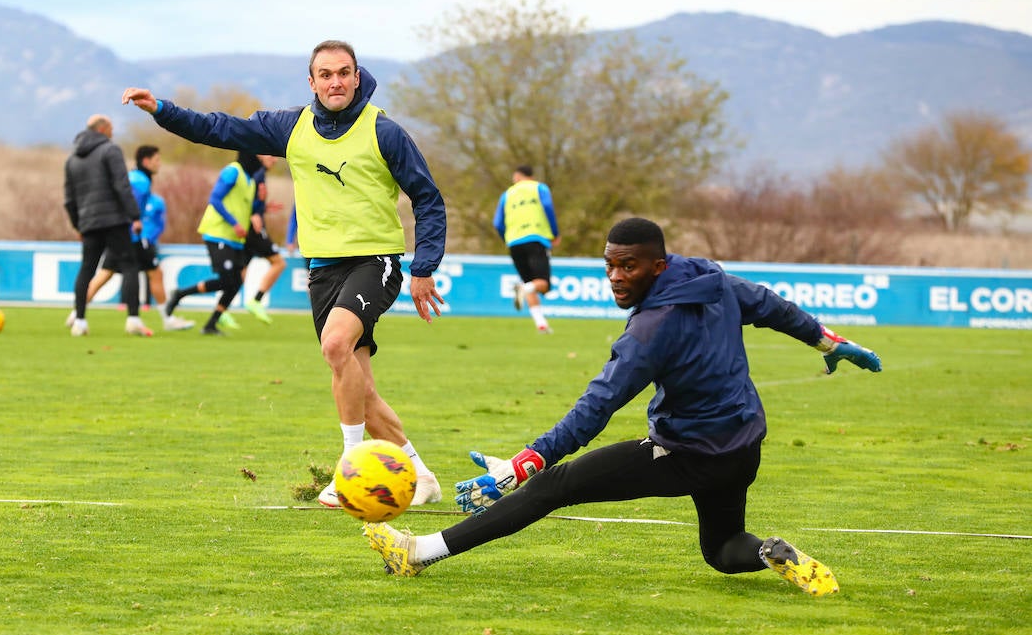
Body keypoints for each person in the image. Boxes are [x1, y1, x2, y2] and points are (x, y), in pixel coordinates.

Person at [361, 217, 883, 596]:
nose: (615, 276)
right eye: (609, 265)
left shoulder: (650, 332)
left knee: (554, 485)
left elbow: (596, 408)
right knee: (724, 551)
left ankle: (419, 553)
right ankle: (771, 551)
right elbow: (773, 306)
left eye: (628, 267)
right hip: (743, 447)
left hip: (689, 453)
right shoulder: (713, 280)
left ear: (657, 266)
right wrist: (829, 343)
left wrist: (525, 464)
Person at [122, 39, 447, 507]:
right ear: (311, 82)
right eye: (326, 74)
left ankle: (350, 469)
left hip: (374, 261)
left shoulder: (386, 132)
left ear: (357, 77)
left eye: (344, 72)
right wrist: (163, 110)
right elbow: (221, 128)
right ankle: (421, 474)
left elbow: (428, 199)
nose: (335, 81)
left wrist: (423, 267)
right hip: (321, 268)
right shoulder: (290, 127)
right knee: (360, 387)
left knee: (336, 344)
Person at [81, 144, 194, 332]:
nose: (160, 164)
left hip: (121, 234)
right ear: (146, 161)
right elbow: (127, 202)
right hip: (133, 236)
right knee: (153, 274)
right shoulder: (140, 182)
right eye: (157, 160)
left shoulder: (135, 178)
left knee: (105, 274)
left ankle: (77, 313)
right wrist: (132, 221)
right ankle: (162, 318)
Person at [62, 114, 148, 337]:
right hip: (114, 220)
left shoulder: (72, 160)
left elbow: (69, 200)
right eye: (111, 127)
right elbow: (122, 186)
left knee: (87, 268)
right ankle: (133, 319)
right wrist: (134, 216)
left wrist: (78, 225)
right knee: (129, 265)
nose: (113, 132)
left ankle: (80, 321)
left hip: (88, 222)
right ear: (102, 129)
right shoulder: (111, 150)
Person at [162, 150, 261, 336]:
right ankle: (180, 294)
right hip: (218, 233)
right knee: (227, 280)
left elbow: (242, 205)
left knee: (235, 282)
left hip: (235, 239)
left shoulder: (251, 180)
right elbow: (215, 199)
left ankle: (210, 324)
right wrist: (234, 223)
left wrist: (262, 206)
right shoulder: (233, 171)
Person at [494, 164, 559, 334]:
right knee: (543, 285)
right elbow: (548, 208)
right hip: (535, 238)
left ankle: (541, 325)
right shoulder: (539, 188)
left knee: (529, 282)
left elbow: (497, 223)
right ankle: (523, 290)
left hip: (514, 242)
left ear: (517, 175)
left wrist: (506, 238)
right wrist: (554, 233)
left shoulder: (507, 194)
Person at [240, 153, 287, 324]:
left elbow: (252, 200)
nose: (274, 160)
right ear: (259, 155)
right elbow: (246, 199)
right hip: (255, 230)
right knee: (279, 263)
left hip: (249, 228)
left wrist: (263, 208)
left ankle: (220, 311)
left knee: (241, 271)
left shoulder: (258, 174)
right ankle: (256, 300)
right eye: (271, 156)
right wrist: (254, 214)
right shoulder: (258, 174)